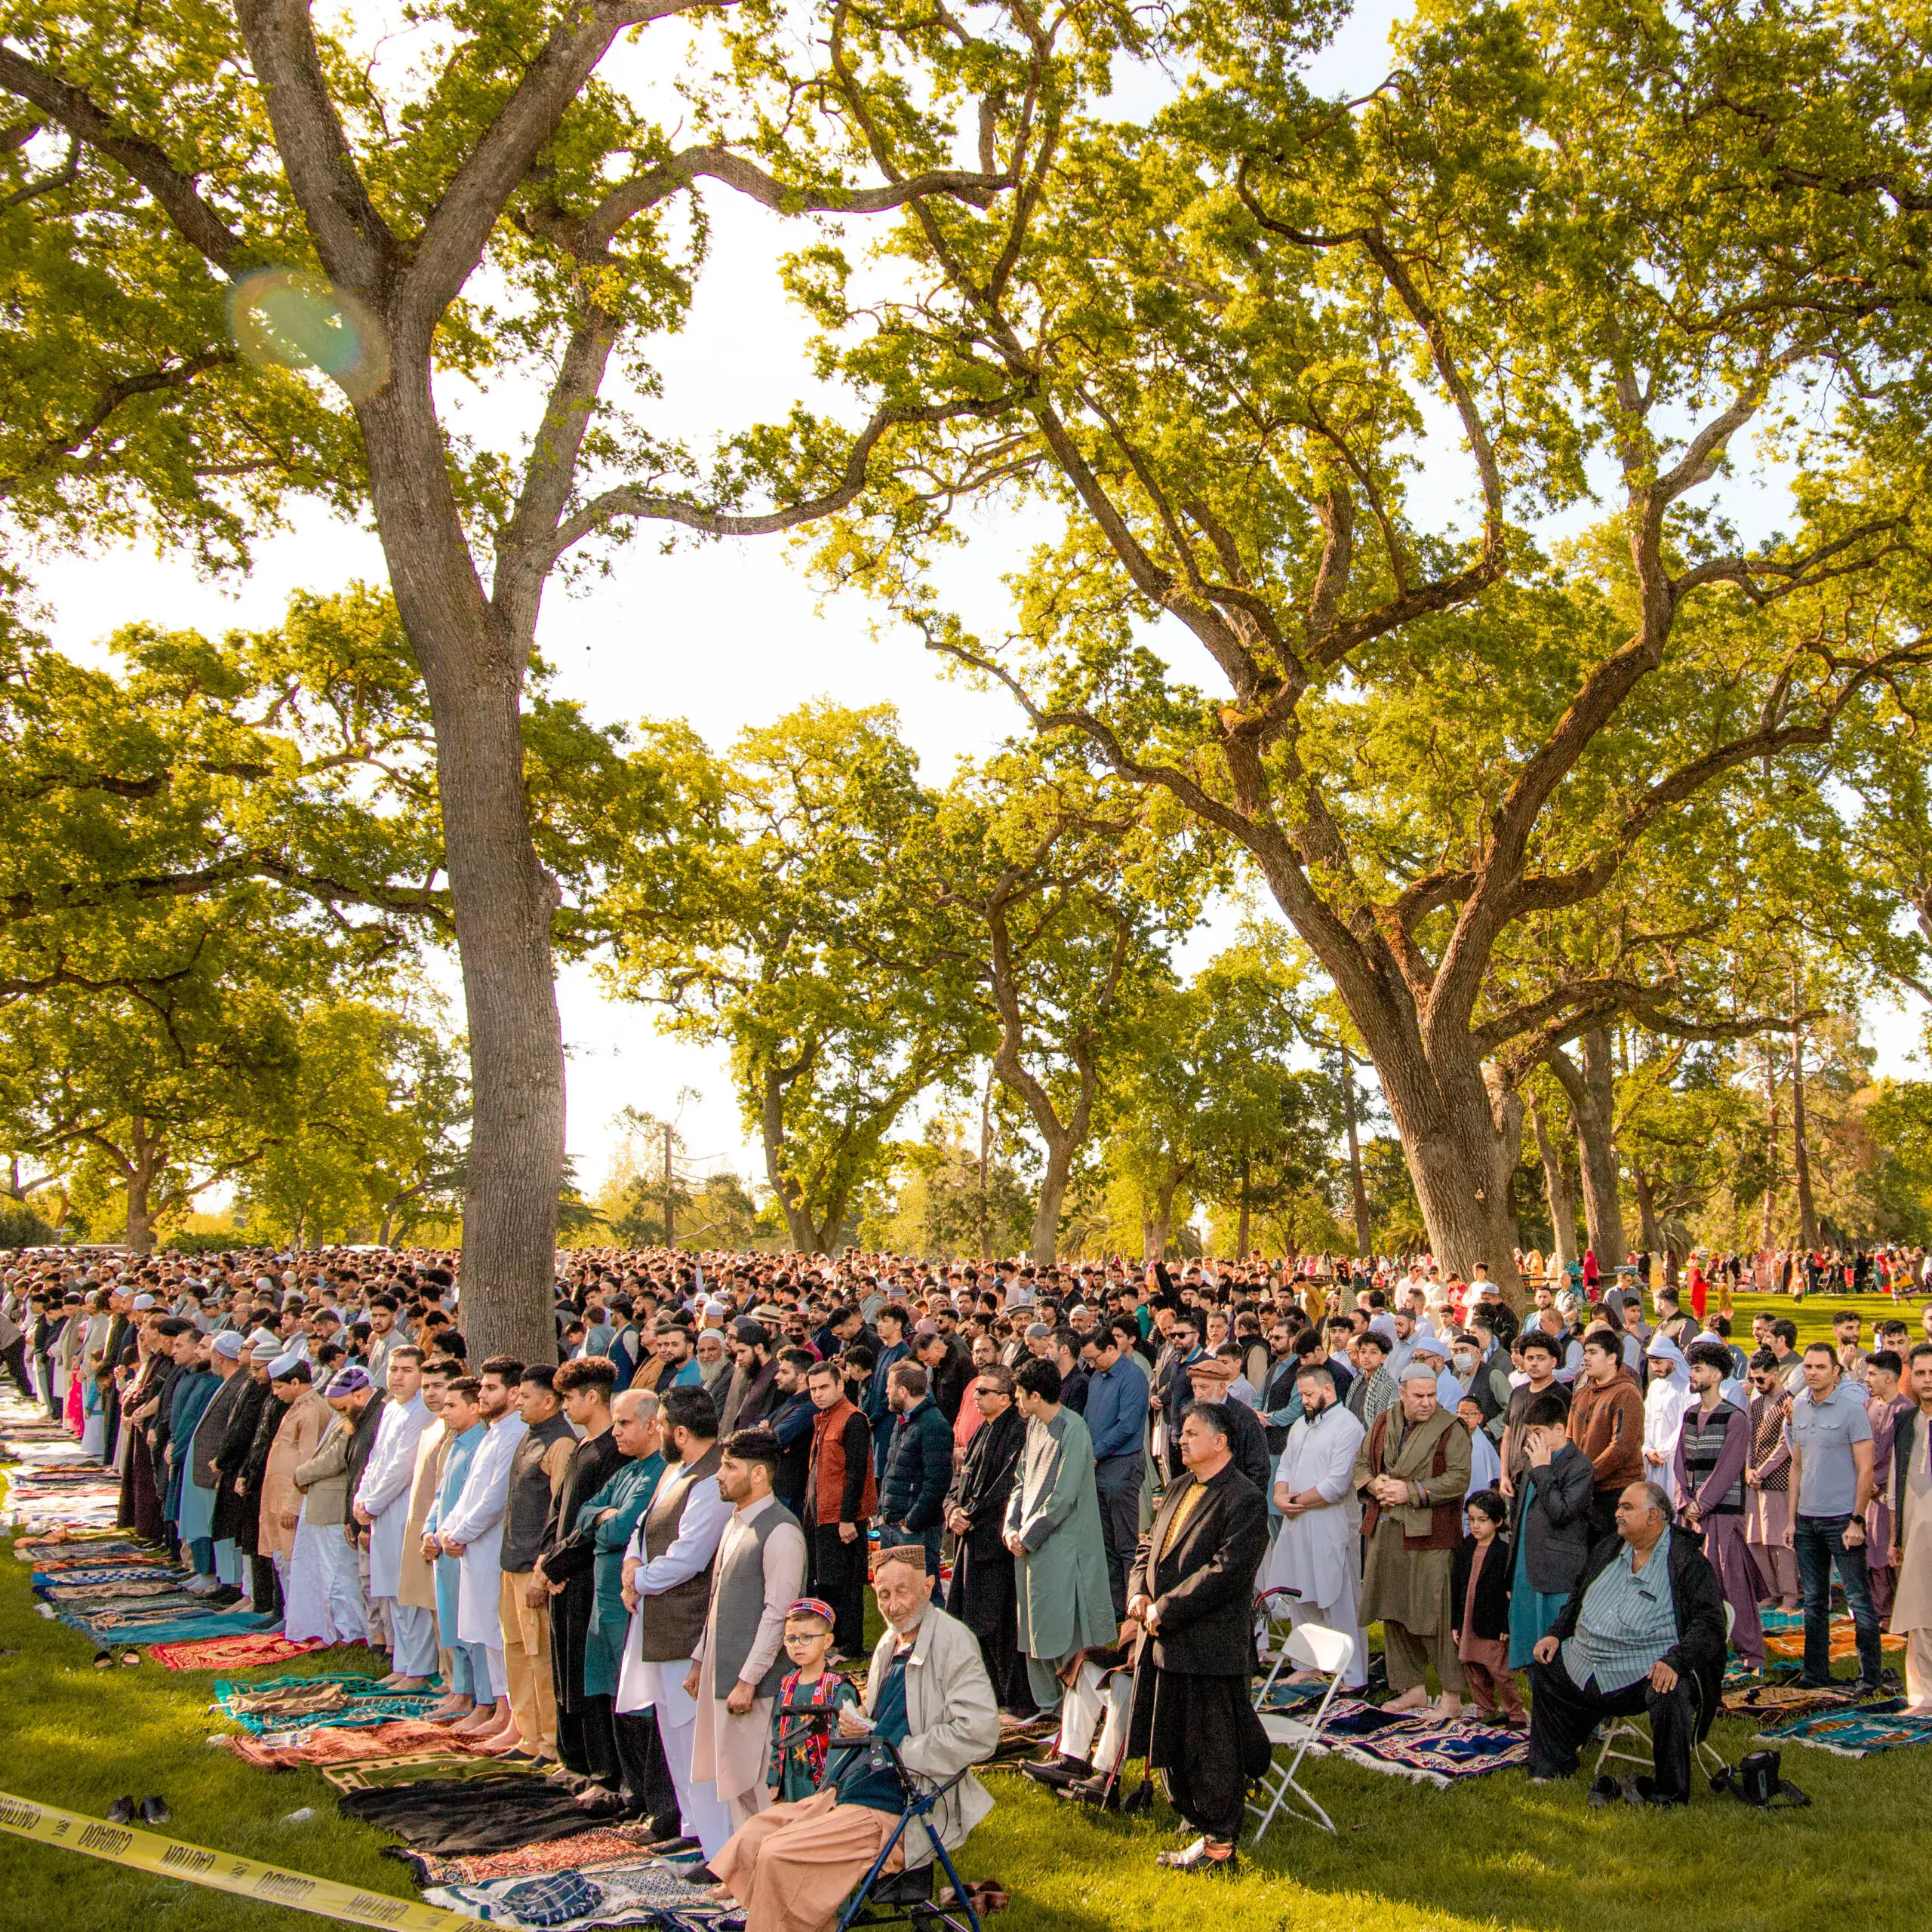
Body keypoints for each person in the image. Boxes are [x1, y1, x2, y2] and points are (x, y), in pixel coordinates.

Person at [709, 1545, 998, 1932]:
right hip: (855, 1785)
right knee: (754, 1837)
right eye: (883, 1594)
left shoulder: (952, 1641)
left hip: (900, 1802)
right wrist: (860, 1725)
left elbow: (980, 1732)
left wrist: (900, 1751)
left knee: (779, 1854)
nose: (892, 1605)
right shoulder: (888, 1643)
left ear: (929, 1586)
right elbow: (886, 1719)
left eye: (903, 1591)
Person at [1124, 1401, 1272, 1877]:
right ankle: (1194, 1820)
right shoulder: (1182, 1484)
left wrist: (1164, 1609)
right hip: (1164, 1638)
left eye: (1190, 1433)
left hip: (1209, 1644)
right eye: (1181, 1433)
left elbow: (1226, 1572)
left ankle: (1221, 1846)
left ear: (1219, 1442)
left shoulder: (1244, 1498)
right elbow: (1150, 1544)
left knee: (1212, 1746)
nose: (1180, 1440)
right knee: (1170, 1738)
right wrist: (1137, 1594)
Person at [1527, 1481, 1727, 1807]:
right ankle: (1553, 1764)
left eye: (1627, 1508)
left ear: (1653, 1516)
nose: (1617, 1513)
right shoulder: (1608, 1549)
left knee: (1669, 1690)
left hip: (1643, 1671)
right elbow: (1578, 1599)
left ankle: (1669, 1794)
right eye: (1619, 1507)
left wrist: (1676, 1661)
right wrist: (1555, 1633)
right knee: (1546, 1664)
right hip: (1587, 1661)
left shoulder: (1686, 1562)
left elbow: (1710, 1625)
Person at [617, 1385, 734, 1857]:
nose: (657, 1432)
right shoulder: (676, 1470)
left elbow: (688, 1557)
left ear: (680, 1432)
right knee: (672, 1733)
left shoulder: (711, 1480)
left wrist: (637, 1580)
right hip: (657, 1617)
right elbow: (644, 1526)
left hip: (687, 1624)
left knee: (694, 1739)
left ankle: (717, 1845)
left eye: (661, 1425)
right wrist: (632, 1565)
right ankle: (692, 1827)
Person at [685, 1426, 809, 1850]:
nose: (719, 1475)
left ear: (759, 1474)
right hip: (727, 1677)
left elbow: (780, 1616)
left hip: (756, 1687)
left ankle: (765, 1879)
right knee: (734, 1782)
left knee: (757, 1787)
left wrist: (748, 1680)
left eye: (729, 1467)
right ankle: (745, 1873)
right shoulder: (737, 1522)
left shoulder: (782, 1532)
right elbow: (719, 1597)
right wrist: (701, 1661)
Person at [1354, 1360, 1472, 1717]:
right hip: (1386, 1527)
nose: (1427, 1402)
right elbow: (1361, 1464)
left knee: (1433, 1611)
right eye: (1418, 1396)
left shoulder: (1452, 1429)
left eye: (1432, 1395)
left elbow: (1459, 1479)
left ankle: (1452, 1696)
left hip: (1431, 1532)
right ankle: (1413, 1689)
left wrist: (1411, 1492)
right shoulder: (1383, 1421)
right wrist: (1375, 1485)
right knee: (1392, 1608)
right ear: (1402, 1394)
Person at [534, 1358, 630, 1796]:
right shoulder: (580, 1445)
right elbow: (561, 1511)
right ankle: (571, 1756)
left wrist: (558, 1565)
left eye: (570, 1398)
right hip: (562, 1571)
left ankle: (601, 1769)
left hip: (588, 1575)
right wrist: (546, 1560)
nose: (566, 1406)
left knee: (588, 1675)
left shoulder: (613, 1450)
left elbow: (593, 1525)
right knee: (565, 1669)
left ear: (593, 1397)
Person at [1004, 1356, 1118, 1712]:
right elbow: (1022, 1481)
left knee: (1068, 1625)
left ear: (1036, 1395)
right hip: (1031, 1544)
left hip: (1066, 1544)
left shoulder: (1074, 1428)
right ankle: (1049, 1705)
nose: (1017, 1401)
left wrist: (1030, 1535)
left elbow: (1064, 1495)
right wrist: (1010, 1525)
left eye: (1020, 1394)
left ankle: (1080, 1706)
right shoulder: (1035, 1426)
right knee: (1036, 1625)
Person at [435, 1355, 531, 1746]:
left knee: (498, 1633)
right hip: (471, 1546)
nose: (483, 1393)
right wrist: (449, 1531)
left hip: (492, 1548)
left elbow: (495, 1499)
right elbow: (469, 1493)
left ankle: (511, 1717)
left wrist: (461, 1533)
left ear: (513, 1392)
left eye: (491, 1388)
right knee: (484, 1633)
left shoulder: (513, 1434)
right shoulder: (494, 1432)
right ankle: (497, 1710)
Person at [1262, 1361, 1367, 1687]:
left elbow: (1336, 1485)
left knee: (1338, 1597)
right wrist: (1280, 1495)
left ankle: (1351, 1674)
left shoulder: (1348, 1427)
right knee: (1300, 1593)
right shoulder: (1300, 1426)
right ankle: (1307, 1663)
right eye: (1301, 1395)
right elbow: (1286, 1466)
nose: (1304, 1401)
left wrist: (1294, 1502)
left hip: (1330, 1524)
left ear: (1327, 1389)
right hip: (1297, 1523)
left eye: (1308, 1394)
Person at [1789, 1340, 1883, 1692]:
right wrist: (1790, 1519)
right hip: (1806, 1521)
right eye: (1808, 1367)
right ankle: (1815, 1675)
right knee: (1813, 1601)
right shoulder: (1799, 1408)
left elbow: (1866, 1469)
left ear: (1836, 1372)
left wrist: (1857, 1520)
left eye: (1820, 1367)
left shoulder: (1852, 1411)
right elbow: (1797, 1466)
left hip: (1843, 1520)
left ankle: (1869, 1677)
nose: (1812, 1373)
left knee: (1858, 1600)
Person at [497, 1363, 577, 1760]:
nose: (518, 1401)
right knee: (516, 1651)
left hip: (534, 1568)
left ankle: (550, 1742)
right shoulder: (528, 1436)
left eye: (526, 1396)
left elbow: (561, 1513)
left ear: (550, 1401)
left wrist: (543, 1571)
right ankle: (528, 1737)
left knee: (541, 1659)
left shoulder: (560, 1442)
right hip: (512, 1562)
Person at [1672, 1339, 1766, 1672]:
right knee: (1694, 1583)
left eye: (1698, 1369)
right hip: (1692, 1518)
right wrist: (1685, 1501)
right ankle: (1702, 1647)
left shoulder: (1735, 1418)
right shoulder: (1690, 1414)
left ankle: (1751, 1653)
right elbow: (1679, 1462)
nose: (1692, 1376)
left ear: (1715, 1374)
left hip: (1723, 1515)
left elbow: (1729, 1467)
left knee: (1732, 1581)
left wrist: (1703, 1502)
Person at [943, 1360, 1030, 1712]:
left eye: (984, 1391)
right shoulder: (982, 1430)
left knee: (1000, 1625)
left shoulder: (1017, 1431)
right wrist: (952, 1511)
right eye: (976, 1390)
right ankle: (987, 1694)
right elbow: (960, 1482)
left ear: (1006, 1398)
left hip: (995, 1544)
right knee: (971, 1623)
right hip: (970, 1540)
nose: (976, 1397)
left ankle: (1014, 1699)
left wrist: (970, 1515)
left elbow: (1007, 1487)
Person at [352, 1343, 435, 1687]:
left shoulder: (421, 1412)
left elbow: (401, 1468)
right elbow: (375, 1460)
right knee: (390, 1592)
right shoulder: (390, 1409)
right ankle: (402, 1663)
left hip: (403, 1508)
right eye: (394, 1369)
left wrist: (371, 1504)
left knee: (408, 1593)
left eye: (407, 1370)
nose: (398, 1376)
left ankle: (418, 1668)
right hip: (381, 1511)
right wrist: (362, 1499)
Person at [285, 1364, 374, 1646]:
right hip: (323, 1506)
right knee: (326, 1575)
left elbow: (337, 1459)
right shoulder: (343, 1418)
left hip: (335, 1507)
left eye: (341, 1406)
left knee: (339, 1575)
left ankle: (351, 1634)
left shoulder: (355, 1419)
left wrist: (301, 1474)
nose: (339, 1412)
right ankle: (337, 1629)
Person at [801, 1358, 874, 1659]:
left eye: (824, 1387)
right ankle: (836, 1641)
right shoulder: (824, 1418)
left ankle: (851, 1645)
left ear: (840, 1385)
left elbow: (856, 1474)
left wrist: (847, 1519)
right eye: (813, 1389)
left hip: (842, 1516)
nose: (818, 1394)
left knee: (846, 1583)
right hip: (820, 1513)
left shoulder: (853, 1419)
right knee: (827, 1582)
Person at [1079, 1320, 1149, 1618]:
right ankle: (1113, 1604)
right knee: (1104, 1541)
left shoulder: (1132, 1377)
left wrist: (1095, 1452)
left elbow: (1128, 1425)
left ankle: (1132, 1601)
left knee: (1125, 1542)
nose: (1092, 1364)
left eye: (1095, 1358)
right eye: (1088, 1360)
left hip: (1121, 1464)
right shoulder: (1098, 1377)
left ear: (1112, 1348)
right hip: (1098, 1465)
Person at [764, 1599, 861, 1804]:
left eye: (806, 1637)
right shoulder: (786, 1684)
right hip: (791, 1778)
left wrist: (829, 1786)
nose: (798, 1645)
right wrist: (774, 1779)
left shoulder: (838, 1687)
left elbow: (844, 1740)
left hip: (824, 1784)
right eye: (791, 1638)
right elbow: (778, 1732)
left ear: (827, 1641)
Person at [1451, 1492, 1525, 1727]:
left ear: (1498, 1522)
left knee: (1499, 1670)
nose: (1475, 1526)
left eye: (1482, 1520)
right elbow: (1457, 1587)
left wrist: (1507, 1624)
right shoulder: (1465, 1548)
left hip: (1493, 1622)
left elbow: (1511, 1594)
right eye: (1471, 1520)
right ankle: (1484, 1708)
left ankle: (1515, 1712)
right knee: (1472, 1667)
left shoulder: (1504, 1552)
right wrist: (1455, 1622)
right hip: (1468, 1617)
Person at [1567, 1329, 1646, 1542]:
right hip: (1584, 1491)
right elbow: (1569, 1442)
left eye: (1593, 1352)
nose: (1585, 1358)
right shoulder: (1581, 1395)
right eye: (1585, 1352)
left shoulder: (1626, 1394)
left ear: (1612, 1358)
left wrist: (1585, 1475)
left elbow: (1620, 1448)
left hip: (1617, 1493)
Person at [877, 1361, 952, 1580]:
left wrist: (911, 1523)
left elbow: (937, 1482)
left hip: (916, 1532)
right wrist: (883, 1513)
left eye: (890, 1386)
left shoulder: (934, 1425)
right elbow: (893, 1471)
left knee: (924, 1595)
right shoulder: (902, 1420)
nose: (886, 1391)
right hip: (892, 1525)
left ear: (903, 1391)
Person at [1887, 1341, 1932, 1707]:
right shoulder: (1904, 1421)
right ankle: (1921, 1694)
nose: (1928, 1380)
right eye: (1920, 1373)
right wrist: (1895, 1538)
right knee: (1919, 1613)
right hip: (1914, 1529)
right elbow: (1894, 1485)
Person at [1742, 1347, 1798, 1611]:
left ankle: (1790, 1595)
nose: (1757, 1384)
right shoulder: (1755, 1404)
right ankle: (1770, 1591)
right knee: (1755, 1539)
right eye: (1753, 1380)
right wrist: (1748, 1470)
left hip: (1779, 1481)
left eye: (1761, 1379)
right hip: (1754, 1481)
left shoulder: (1789, 1402)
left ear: (1775, 1375)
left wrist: (1761, 1471)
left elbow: (1786, 1445)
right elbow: (1749, 1440)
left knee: (1779, 1542)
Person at [1863, 1350, 1912, 1618]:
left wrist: (1878, 1482)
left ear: (1889, 1377)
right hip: (1867, 1494)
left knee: (1891, 1552)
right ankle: (1880, 1611)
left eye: (1872, 1374)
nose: (1867, 1379)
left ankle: (1899, 1612)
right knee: (1872, 1553)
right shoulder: (1867, 1406)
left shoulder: (1906, 1410)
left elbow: (1899, 1456)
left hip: (1892, 1495)